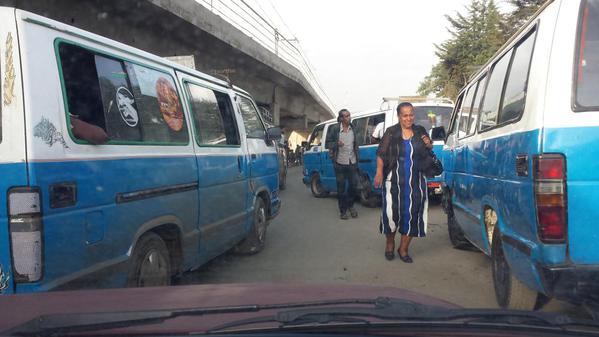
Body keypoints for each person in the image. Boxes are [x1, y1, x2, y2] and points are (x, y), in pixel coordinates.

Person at [374, 102, 433, 263]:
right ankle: (390, 243)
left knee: (413, 215)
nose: (409, 118)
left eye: (411, 114)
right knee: (391, 215)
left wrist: (429, 144)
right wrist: (379, 172)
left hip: (416, 181)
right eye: (405, 115)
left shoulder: (419, 130)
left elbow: (428, 148)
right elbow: (381, 153)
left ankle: (404, 249)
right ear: (399, 116)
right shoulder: (391, 132)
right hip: (393, 181)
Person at [326, 109, 359, 220]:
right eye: (345, 116)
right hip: (339, 163)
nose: (348, 118)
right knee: (341, 189)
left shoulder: (353, 128)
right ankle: (343, 211)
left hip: (352, 162)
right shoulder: (335, 129)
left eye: (349, 115)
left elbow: (357, 143)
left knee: (353, 186)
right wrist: (336, 143)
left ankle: (351, 206)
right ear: (340, 118)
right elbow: (327, 143)